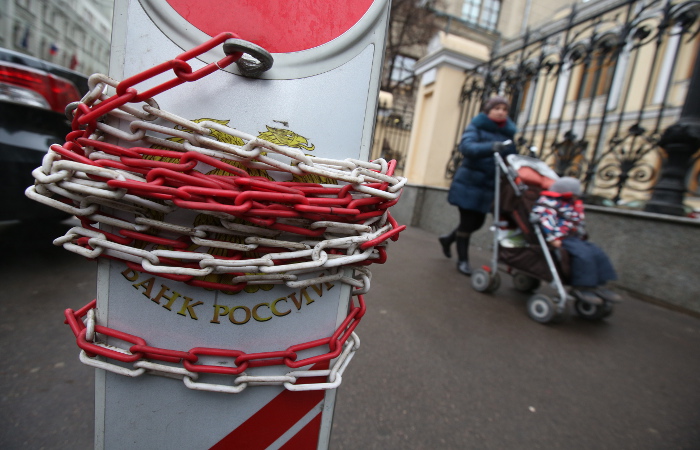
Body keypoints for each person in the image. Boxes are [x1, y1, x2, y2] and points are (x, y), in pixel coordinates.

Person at [439, 96, 517, 275]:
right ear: (488, 110)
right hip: (469, 183)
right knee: (467, 223)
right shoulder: (477, 126)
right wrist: (491, 147)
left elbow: (511, 155)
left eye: (504, 109)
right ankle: (463, 261)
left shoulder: (508, 133)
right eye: (497, 108)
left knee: (477, 223)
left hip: (489, 186)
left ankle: (448, 239)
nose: (501, 112)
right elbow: (467, 147)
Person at [531, 176, 622, 305]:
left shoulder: (570, 204)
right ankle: (582, 286)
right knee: (583, 255)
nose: (576, 198)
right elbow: (545, 221)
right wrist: (552, 237)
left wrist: (579, 225)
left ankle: (599, 283)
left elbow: (576, 220)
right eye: (574, 195)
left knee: (597, 252)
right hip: (560, 237)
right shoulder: (548, 204)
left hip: (573, 236)